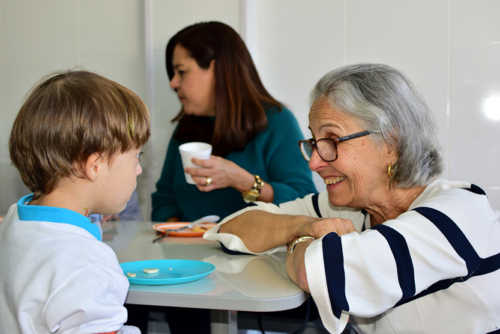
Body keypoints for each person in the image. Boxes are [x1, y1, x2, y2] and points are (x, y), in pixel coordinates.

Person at [206, 63, 500, 333]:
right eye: (314, 143)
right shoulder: (351, 209)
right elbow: (232, 228)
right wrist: (304, 228)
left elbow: (325, 274)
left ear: (390, 143)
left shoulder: (458, 213)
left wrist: (300, 240)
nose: (314, 163)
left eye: (332, 141)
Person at [0, 70, 151, 334]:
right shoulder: (88, 264)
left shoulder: (15, 220)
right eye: (136, 156)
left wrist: (89, 219)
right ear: (95, 165)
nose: (138, 169)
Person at [151, 21, 316, 223]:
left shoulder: (277, 122)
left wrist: (243, 182)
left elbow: (305, 200)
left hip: (258, 253)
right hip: (186, 252)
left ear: (216, 69)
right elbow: (164, 201)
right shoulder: (187, 125)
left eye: (182, 72)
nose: (173, 83)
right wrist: (181, 237)